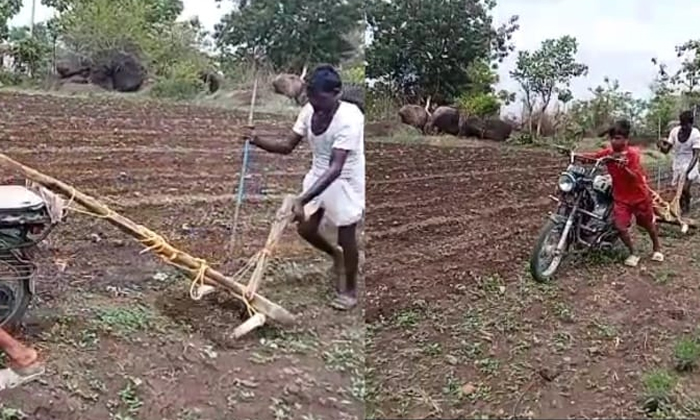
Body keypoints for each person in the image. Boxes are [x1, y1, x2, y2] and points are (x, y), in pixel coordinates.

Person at [243, 64, 364, 310]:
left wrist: (301, 198)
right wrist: (256, 141)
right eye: (311, 98)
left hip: (345, 179)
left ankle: (350, 290)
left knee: (346, 235)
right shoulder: (309, 111)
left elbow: (336, 167)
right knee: (306, 228)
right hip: (318, 172)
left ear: (337, 93)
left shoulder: (350, 118)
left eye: (320, 99)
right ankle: (335, 256)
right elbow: (288, 146)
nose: (315, 104)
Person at [581, 119, 663, 267]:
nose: (614, 141)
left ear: (626, 139)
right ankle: (633, 253)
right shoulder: (609, 153)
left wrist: (624, 166)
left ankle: (656, 247)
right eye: (612, 138)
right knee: (620, 227)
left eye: (618, 138)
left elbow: (635, 176)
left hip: (639, 197)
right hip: (621, 198)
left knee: (647, 225)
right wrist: (576, 155)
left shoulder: (633, 154)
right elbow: (593, 158)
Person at [658, 110, 700, 214]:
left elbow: (696, 155)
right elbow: (666, 150)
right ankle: (681, 207)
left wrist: (687, 171)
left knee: (684, 188)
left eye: (686, 125)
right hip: (677, 163)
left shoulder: (695, 134)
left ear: (691, 123)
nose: (683, 127)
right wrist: (660, 145)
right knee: (678, 190)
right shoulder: (674, 132)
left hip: (690, 163)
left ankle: (687, 207)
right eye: (682, 124)